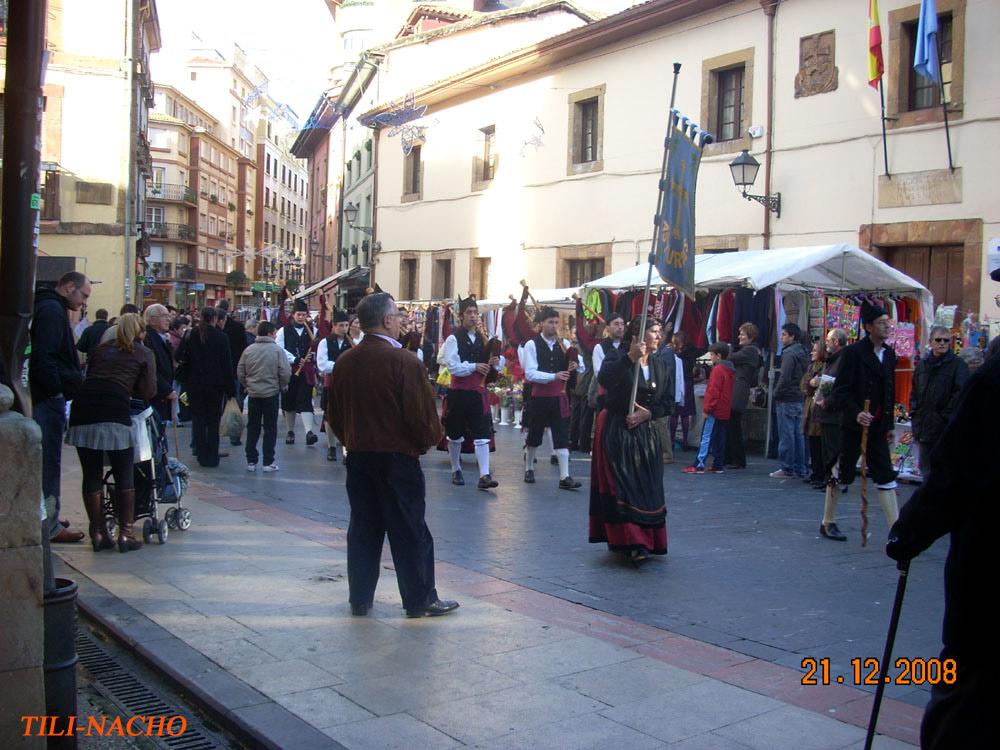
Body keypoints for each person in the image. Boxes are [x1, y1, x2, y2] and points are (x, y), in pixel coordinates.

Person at [885, 350, 998, 749]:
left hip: (989, 572)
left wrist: (910, 532)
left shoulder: (991, 380)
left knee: (967, 682)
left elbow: (954, 473)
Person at [328, 293, 459, 619]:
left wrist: (352, 441)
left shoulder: (346, 361)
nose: (401, 320)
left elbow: (333, 414)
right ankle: (419, 599)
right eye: (398, 315)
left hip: (359, 457)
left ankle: (360, 597)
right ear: (386, 320)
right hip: (397, 459)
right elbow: (422, 418)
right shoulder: (406, 362)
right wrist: (425, 442)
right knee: (410, 530)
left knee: (363, 528)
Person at [66, 313, 156, 552]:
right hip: (115, 409)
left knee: (91, 474)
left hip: (83, 407)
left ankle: (97, 532)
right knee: (124, 472)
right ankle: (126, 533)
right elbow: (148, 391)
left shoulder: (101, 349)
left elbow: (91, 375)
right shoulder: (143, 352)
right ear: (140, 332)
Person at [589, 317, 670, 565]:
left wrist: (649, 413)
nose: (659, 336)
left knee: (647, 486)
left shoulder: (660, 364)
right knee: (625, 487)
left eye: (660, 332)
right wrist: (630, 358)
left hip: (645, 435)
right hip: (618, 430)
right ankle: (633, 542)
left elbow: (667, 402)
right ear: (638, 335)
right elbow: (605, 379)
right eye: (654, 331)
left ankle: (648, 538)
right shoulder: (617, 356)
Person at [30, 271, 90, 544]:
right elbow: (46, 356)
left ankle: (48, 516)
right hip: (47, 399)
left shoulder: (45, 306)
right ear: (68, 287)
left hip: (45, 396)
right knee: (48, 462)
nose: (83, 303)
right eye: (83, 295)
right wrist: (55, 389)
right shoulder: (52, 311)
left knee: (47, 461)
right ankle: (50, 524)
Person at [831, 301, 899, 533]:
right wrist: (856, 412)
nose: (887, 327)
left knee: (885, 474)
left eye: (887, 323)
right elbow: (840, 390)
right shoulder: (852, 353)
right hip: (854, 426)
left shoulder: (890, 355)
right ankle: (828, 521)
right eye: (881, 323)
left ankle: (896, 530)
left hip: (878, 427)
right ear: (868, 326)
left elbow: (890, 391)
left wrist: (888, 424)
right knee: (843, 472)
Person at [440, 297, 502, 490]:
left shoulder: (483, 339)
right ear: (461, 316)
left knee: (482, 432)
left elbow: (493, 366)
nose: (473, 316)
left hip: (478, 392)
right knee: (455, 433)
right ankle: (456, 468)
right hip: (459, 392)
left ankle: (484, 475)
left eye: (475, 313)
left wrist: (494, 363)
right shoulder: (453, 338)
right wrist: (475, 366)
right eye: (469, 313)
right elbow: (453, 367)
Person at [520, 306, 581, 489]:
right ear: (541, 324)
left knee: (562, 434)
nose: (554, 326)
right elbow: (530, 373)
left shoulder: (565, 344)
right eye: (550, 322)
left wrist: (575, 364)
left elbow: (581, 367)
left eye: (556, 322)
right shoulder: (532, 345)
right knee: (535, 434)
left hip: (559, 397)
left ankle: (564, 477)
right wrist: (553, 376)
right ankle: (529, 467)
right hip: (539, 397)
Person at [175, 307, 235, 467]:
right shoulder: (221, 337)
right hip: (215, 385)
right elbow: (226, 364)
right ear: (214, 319)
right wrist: (231, 390)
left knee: (199, 420)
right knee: (213, 420)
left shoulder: (190, 334)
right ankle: (212, 455)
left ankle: (201, 454)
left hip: (194, 384)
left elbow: (178, 355)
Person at [910, 326, 969, 473]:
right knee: (925, 469)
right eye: (938, 340)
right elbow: (915, 391)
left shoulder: (958, 365)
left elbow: (960, 393)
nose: (942, 343)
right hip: (923, 425)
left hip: (944, 427)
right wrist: (914, 413)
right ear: (931, 341)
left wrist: (945, 416)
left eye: (946, 340)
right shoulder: (922, 365)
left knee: (943, 469)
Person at [238, 321, 291, 473]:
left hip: (253, 393)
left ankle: (251, 461)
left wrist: (247, 385)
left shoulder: (249, 350)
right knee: (270, 428)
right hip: (271, 393)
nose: (275, 335)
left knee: (253, 427)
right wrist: (282, 384)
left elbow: (240, 371)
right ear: (269, 333)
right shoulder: (277, 350)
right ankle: (268, 461)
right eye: (274, 332)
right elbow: (285, 372)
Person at [815, 328, 848, 541]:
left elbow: (841, 389)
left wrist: (827, 401)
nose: (825, 343)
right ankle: (828, 521)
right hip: (831, 417)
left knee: (835, 466)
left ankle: (829, 521)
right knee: (833, 466)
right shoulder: (833, 360)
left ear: (836, 341)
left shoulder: (841, 361)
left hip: (837, 418)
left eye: (828, 340)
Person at [683, 342, 734, 474]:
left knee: (706, 436)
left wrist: (707, 409)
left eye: (711, 354)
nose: (710, 357)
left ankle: (699, 464)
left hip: (715, 410)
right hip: (724, 409)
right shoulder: (730, 370)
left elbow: (713, 391)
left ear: (718, 356)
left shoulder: (718, 370)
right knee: (720, 437)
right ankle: (718, 464)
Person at [276, 300, 319, 446]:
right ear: (293, 315)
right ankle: (290, 431)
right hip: (290, 370)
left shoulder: (313, 331)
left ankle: (309, 432)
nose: (301, 317)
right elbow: (279, 349)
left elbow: (317, 348)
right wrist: (294, 359)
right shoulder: (284, 330)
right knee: (289, 401)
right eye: (299, 314)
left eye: (304, 315)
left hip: (306, 371)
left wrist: (311, 357)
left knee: (306, 399)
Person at [770, 323, 809, 479]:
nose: (781, 337)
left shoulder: (789, 354)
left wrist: (776, 393)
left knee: (787, 435)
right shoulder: (803, 352)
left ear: (792, 336)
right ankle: (800, 467)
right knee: (798, 434)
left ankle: (787, 467)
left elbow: (785, 377)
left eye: (784, 334)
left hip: (787, 397)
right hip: (798, 397)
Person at [317, 309, 352, 461]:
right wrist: (342, 365)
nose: (344, 329)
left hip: (347, 385)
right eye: (341, 325)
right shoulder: (325, 342)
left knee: (346, 416)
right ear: (334, 325)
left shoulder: (351, 343)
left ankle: (346, 449)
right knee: (329, 416)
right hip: (330, 384)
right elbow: (322, 365)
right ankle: (331, 447)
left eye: (346, 325)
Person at [726, 322, 762, 469]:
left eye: (742, 334)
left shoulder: (750, 351)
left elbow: (730, 357)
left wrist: (727, 348)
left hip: (739, 390)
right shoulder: (749, 350)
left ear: (751, 336)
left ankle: (737, 459)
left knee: (734, 425)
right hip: (738, 389)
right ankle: (732, 457)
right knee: (732, 424)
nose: (739, 336)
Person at [217, 300, 249, 446]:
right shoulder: (238, 327)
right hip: (233, 370)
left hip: (223, 372)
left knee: (224, 402)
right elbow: (244, 350)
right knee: (235, 402)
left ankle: (222, 433)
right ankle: (233, 435)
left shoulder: (210, 329)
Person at [143, 304, 176, 423]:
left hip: (162, 395)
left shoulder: (161, 338)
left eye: (169, 316)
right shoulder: (148, 338)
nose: (168, 319)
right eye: (164, 316)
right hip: (155, 395)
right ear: (152, 320)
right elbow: (151, 369)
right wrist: (167, 390)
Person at [801, 339, 827, 487]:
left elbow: (825, 388)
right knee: (813, 443)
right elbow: (803, 386)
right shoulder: (812, 367)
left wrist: (816, 384)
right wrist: (811, 383)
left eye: (815, 350)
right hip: (810, 409)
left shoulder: (826, 367)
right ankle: (816, 472)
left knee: (820, 444)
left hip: (820, 410)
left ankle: (821, 474)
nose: (812, 352)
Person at [669, 331, 697, 450]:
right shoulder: (691, 352)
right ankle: (685, 440)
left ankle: (672, 440)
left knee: (675, 414)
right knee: (685, 414)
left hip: (677, 382)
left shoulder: (673, 354)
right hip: (688, 382)